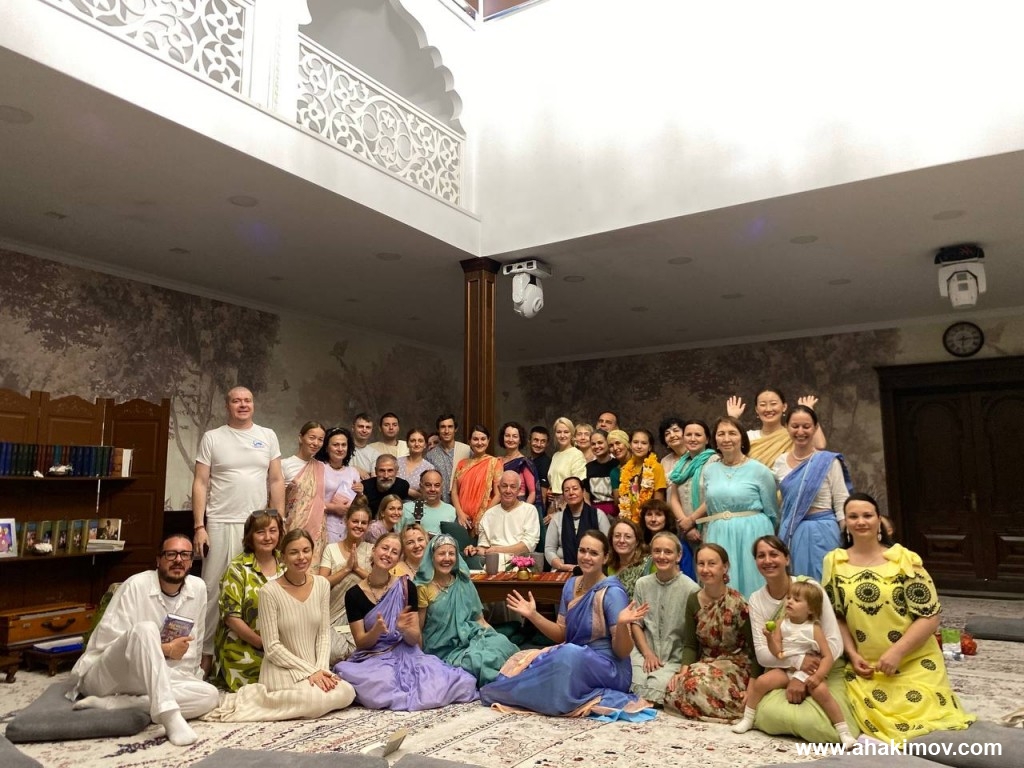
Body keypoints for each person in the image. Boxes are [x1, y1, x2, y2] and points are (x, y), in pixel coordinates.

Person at [822, 493, 975, 741]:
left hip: (914, 660)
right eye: (853, 516)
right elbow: (836, 616)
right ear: (845, 523)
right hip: (866, 667)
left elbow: (930, 616)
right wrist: (852, 654)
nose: (861, 521)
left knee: (927, 721)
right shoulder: (835, 563)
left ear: (878, 520)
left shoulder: (904, 560)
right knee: (864, 723)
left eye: (867, 515)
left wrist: (897, 652)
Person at [480, 531, 653, 718]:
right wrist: (533, 615)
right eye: (582, 551)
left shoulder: (612, 592)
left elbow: (623, 652)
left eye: (593, 553)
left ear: (605, 558)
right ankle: (518, 693)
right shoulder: (570, 585)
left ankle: (544, 696)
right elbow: (561, 634)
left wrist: (621, 624)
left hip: (610, 668)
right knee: (535, 659)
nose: (586, 557)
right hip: (573, 659)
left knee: (566, 654)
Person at [67, 535, 218, 746]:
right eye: (171, 554)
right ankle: (170, 716)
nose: (178, 560)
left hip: (154, 679)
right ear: (158, 560)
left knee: (210, 696)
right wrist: (165, 649)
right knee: (145, 629)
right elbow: (108, 644)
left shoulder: (198, 588)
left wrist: (192, 680)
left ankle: (120, 704)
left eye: (185, 555)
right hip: (108, 675)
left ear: (191, 562)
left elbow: (196, 643)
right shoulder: (136, 585)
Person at [201, 529, 356, 721]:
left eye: (306, 550)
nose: (301, 557)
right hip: (281, 669)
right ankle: (262, 699)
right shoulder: (269, 591)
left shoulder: (322, 585)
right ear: (283, 557)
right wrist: (311, 672)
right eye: (294, 552)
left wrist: (321, 670)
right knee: (315, 700)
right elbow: (272, 647)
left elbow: (324, 634)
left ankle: (300, 698)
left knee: (348, 692)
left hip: (315, 667)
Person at [193, 386, 285, 671]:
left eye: (247, 400)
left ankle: (255, 651)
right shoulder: (212, 437)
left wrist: (278, 520)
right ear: (228, 405)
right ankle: (205, 655)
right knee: (212, 589)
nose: (242, 405)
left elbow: (276, 480)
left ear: (253, 405)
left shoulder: (267, 436)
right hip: (220, 522)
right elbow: (201, 482)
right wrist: (199, 526)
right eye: (236, 401)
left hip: (257, 525)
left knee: (257, 590)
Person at [334, 532, 479, 710]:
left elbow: (415, 640)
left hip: (406, 652)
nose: (388, 554)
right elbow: (361, 643)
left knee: (454, 682)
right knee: (381, 683)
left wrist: (405, 630)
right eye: (385, 548)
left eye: (394, 552)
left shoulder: (406, 587)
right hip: (373, 656)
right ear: (374, 550)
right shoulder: (353, 595)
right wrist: (376, 631)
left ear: (398, 559)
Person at [747, 534, 853, 743]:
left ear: (787, 558)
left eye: (774, 554)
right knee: (769, 716)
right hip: (782, 668)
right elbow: (763, 656)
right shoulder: (756, 599)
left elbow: (834, 645)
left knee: (817, 723)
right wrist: (797, 662)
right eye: (761, 556)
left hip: (821, 668)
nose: (767, 560)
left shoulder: (809, 588)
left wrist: (803, 676)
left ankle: (844, 733)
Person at [732, 581, 856, 747]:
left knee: (822, 692)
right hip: (786, 668)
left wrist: (818, 676)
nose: (789, 601)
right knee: (761, 682)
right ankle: (748, 719)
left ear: (810, 609)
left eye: (796, 600)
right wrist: (769, 638)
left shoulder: (814, 629)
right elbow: (777, 652)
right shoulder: (781, 624)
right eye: (789, 598)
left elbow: (827, 656)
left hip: (808, 671)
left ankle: (844, 732)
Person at [664, 543, 759, 722]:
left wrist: (752, 689)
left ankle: (740, 708)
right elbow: (690, 645)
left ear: (725, 567)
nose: (705, 569)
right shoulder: (693, 599)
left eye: (712, 564)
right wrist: (682, 673)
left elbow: (755, 651)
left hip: (736, 666)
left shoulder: (738, 603)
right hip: (705, 663)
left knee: (694, 683)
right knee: (674, 689)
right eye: (701, 564)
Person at [415, 534, 518, 685]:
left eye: (451, 553)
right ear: (432, 556)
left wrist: (494, 638)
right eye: (442, 553)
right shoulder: (422, 587)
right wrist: (419, 658)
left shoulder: (463, 582)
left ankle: (515, 678)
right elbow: (418, 628)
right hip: (442, 648)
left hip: (470, 637)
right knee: (479, 661)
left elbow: (479, 620)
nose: (447, 558)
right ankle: (504, 686)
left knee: (502, 644)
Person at [692, 417, 778, 597]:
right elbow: (710, 505)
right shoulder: (709, 471)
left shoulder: (760, 470)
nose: (726, 439)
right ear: (715, 440)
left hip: (752, 533)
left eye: (732, 433)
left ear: (742, 438)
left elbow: (771, 511)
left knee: (752, 579)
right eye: (721, 434)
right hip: (719, 532)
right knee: (720, 582)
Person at [773, 405, 851, 581]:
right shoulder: (780, 462)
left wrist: (847, 535)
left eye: (806, 426)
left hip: (823, 530)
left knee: (827, 580)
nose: (800, 431)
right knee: (796, 582)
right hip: (792, 531)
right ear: (787, 427)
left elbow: (841, 500)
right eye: (795, 426)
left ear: (815, 428)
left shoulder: (827, 461)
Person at [214, 510, 285, 691]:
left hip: (285, 646)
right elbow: (231, 619)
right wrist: (264, 645)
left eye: (273, 530)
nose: (268, 537)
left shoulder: (286, 563)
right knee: (269, 689)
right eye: (260, 532)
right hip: (245, 648)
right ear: (250, 536)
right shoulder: (237, 569)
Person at [629, 532, 699, 705]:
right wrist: (647, 653)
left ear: (678, 556)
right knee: (628, 679)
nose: (661, 556)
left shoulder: (691, 589)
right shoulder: (642, 584)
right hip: (643, 653)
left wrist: (682, 669)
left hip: (673, 659)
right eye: (657, 551)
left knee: (659, 686)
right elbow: (636, 623)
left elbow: (693, 639)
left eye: (668, 552)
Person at [317, 504, 373, 663]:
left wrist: (358, 569)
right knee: (332, 652)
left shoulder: (372, 550)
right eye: (355, 521)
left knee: (363, 650)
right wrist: (346, 569)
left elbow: (378, 583)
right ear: (346, 521)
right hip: (333, 614)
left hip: (361, 617)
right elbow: (321, 584)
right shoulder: (331, 549)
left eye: (364, 523)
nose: (359, 526)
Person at [726, 389, 826, 468]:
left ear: (784, 407)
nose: (768, 409)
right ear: (757, 409)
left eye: (773, 404)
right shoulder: (749, 437)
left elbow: (820, 446)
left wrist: (809, 413)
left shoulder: (792, 435)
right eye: (762, 405)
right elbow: (729, 454)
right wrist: (732, 418)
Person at [464, 471, 541, 570]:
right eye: (504, 486)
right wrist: (474, 550)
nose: (508, 490)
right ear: (499, 488)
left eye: (513, 487)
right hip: (492, 565)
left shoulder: (529, 510)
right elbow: (485, 549)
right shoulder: (489, 515)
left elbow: (527, 546)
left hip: (521, 565)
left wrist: (497, 550)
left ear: (519, 490)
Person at [305, 426, 362, 548]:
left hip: (345, 528)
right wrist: (334, 508)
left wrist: (360, 493)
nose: (340, 449)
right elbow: (307, 500)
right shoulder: (318, 468)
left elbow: (357, 505)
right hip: (321, 526)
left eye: (343, 445)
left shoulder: (353, 472)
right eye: (335, 445)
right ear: (326, 448)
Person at [666, 419, 717, 546]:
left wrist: (691, 521)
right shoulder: (680, 465)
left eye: (698, 435)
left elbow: (714, 497)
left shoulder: (715, 461)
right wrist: (686, 525)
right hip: (685, 529)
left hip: (710, 525)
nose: (692, 439)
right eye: (688, 435)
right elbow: (674, 498)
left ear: (707, 439)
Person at [545, 476, 610, 572]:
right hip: (563, 568)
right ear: (563, 496)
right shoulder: (557, 519)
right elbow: (549, 549)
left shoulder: (598, 515)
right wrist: (560, 565)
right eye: (566, 490)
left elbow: (608, 546)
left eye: (575, 488)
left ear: (583, 492)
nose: (571, 493)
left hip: (593, 568)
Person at [451, 425, 502, 533]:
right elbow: (454, 492)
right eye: (475, 439)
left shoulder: (494, 463)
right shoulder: (462, 464)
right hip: (462, 519)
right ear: (469, 441)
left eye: (483, 439)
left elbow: (498, 494)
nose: (479, 443)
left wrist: (484, 516)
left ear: (488, 440)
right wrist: (460, 513)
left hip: (485, 519)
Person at [616, 429, 667, 524]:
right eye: (635, 442)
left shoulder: (656, 467)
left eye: (644, 443)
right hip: (629, 520)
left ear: (650, 447)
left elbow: (658, 501)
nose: (639, 446)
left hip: (648, 520)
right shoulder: (626, 469)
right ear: (630, 445)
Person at [640, 498, 694, 580]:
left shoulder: (679, 546)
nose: (653, 519)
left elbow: (689, 579)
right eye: (649, 514)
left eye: (658, 514)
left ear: (667, 518)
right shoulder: (640, 545)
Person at [424, 413, 471, 504]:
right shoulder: (430, 456)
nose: (446, 431)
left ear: (455, 429)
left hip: (463, 502)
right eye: (443, 427)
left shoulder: (466, 450)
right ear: (438, 430)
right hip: (440, 504)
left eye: (450, 427)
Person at [546, 417, 587, 521]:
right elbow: (555, 480)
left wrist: (561, 509)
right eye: (559, 432)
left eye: (566, 432)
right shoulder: (556, 455)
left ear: (572, 434)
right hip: (553, 504)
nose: (562, 435)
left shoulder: (576, 454)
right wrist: (550, 490)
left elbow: (578, 484)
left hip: (568, 504)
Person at [400, 469, 457, 536]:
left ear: (441, 488)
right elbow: (396, 536)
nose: (432, 489)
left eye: (437, 485)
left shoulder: (451, 510)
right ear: (421, 487)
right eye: (428, 485)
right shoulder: (406, 509)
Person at [607, 518, 649, 599]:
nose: (621, 540)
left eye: (628, 537)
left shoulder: (649, 564)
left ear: (637, 542)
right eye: (617, 536)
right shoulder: (610, 567)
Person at [500, 421, 539, 506]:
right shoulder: (497, 461)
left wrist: (524, 511)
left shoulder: (524, 462)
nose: (510, 439)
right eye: (507, 435)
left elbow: (532, 493)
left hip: (519, 506)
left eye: (515, 436)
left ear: (520, 440)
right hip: (500, 507)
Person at [583, 429, 617, 517]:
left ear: (608, 443)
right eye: (593, 444)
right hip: (595, 513)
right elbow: (586, 496)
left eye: (600, 443)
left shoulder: (617, 465)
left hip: (615, 512)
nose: (596, 446)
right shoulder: (588, 467)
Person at [280, 421, 326, 486]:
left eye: (320, 440)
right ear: (301, 438)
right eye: (312, 438)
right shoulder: (284, 465)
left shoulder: (321, 467)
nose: (316, 443)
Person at [397, 428, 434, 499]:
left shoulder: (429, 468)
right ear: (407, 444)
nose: (416, 444)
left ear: (425, 445)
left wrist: (406, 490)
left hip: (417, 505)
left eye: (420, 441)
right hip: (394, 504)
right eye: (413, 441)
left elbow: (429, 496)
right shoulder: (397, 462)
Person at [528, 425, 552, 520]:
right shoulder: (528, 460)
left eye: (543, 441)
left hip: (537, 512)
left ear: (547, 444)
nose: (538, 444)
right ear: (529, 441)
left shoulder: (545, 462)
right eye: (536, 440)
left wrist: (541, 518)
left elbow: (543, 495)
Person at [349, 413, 380, 480]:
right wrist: (355, 469)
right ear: (353, 428)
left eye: (368, 427)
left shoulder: (374, 454)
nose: (364, 430)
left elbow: (373, 479)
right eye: (360, 426)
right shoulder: (342, 448)